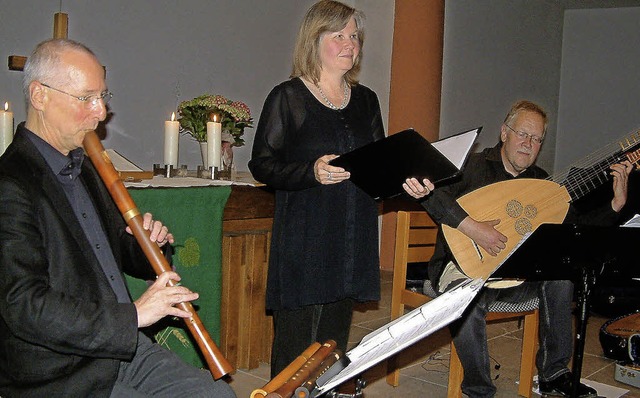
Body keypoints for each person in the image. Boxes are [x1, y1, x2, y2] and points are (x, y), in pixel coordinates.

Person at [0, 39, 236, 397]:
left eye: (103, 97)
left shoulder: (88, 165)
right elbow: (25, 306)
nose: (100, 113)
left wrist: (145, 244)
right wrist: (134, 316)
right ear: (40, 96)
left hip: (121, 351)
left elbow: (113, 255)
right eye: (86, 98)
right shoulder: (10, 184)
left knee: (218, 395)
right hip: (59, 372)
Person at [249, 0, 433, 378]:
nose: (351, 43)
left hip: (351, 233)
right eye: (340, 35)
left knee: (333, 348)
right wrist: (311, 172)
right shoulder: (289, 97)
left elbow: (382, 167)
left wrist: (408, 184)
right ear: (314, 40)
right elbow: (262, 165)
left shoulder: (366, 100)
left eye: (355, 36)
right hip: (306, 237)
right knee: (295, 350)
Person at [417, 100, 631, 397]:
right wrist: (472, 227)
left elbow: (575, 230)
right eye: (523, 134)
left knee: (560, 275)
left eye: (537, 139)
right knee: (464, 300)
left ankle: (554, 374)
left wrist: (615, 205)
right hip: (463, 268)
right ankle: (479, 389)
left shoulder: (542, 183)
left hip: (518, 278)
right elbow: (430, 194)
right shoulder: (470, 166)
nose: (529, 144)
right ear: (504, 133)